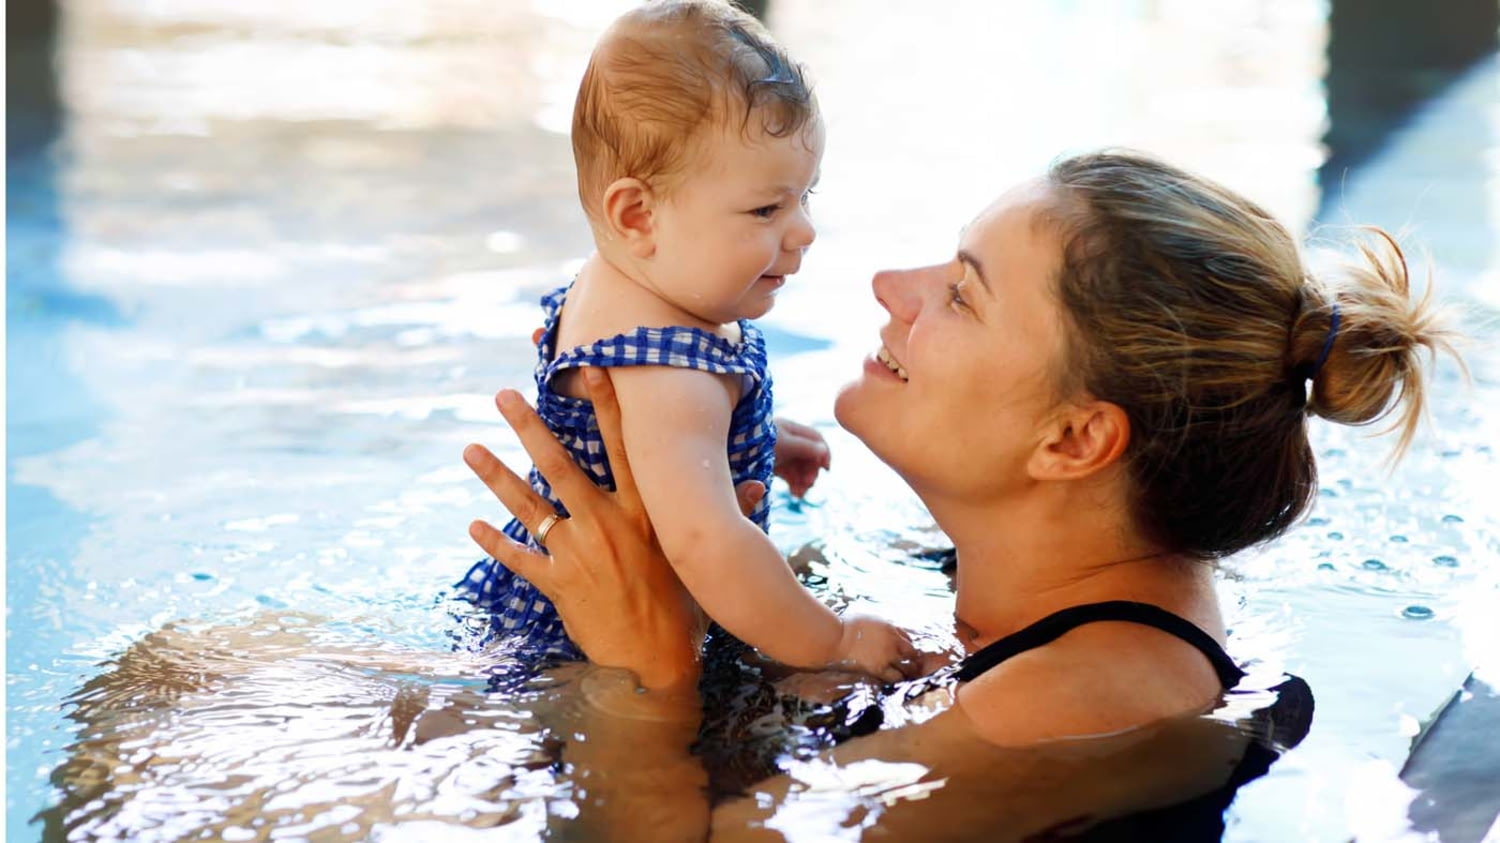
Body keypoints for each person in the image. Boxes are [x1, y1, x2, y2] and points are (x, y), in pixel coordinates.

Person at [463, 150, 1457, 836]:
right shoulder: (1035, 607)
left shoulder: (1089, 704)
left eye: (963, 293)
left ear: (1072, 440)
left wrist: (645, 673)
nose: (893, 284)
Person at [454, 0, 916, 681]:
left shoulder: (624, 285)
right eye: (767, 208)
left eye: (805, 196)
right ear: (638, 214)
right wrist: (835, 641)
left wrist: (746, 439)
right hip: (591, 657)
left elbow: (658, 451)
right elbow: (708, 543)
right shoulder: (669, 372)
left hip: (546, 604)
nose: (804, 230)